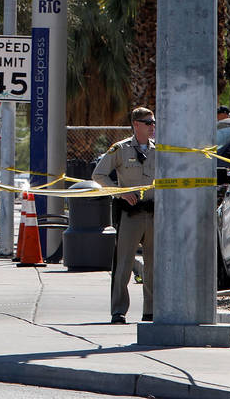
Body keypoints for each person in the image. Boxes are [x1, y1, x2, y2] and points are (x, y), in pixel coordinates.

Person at [92, 106, 156, 324]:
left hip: (154, 213)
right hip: (131, 214)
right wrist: (121, 193)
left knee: (153, 265)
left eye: (153, 122)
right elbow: (98, 175)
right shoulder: (120, 149)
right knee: (124, 264)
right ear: (136, 125)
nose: (152, 127)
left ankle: (151, 310)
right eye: (148, 123)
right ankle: (118, 310)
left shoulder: (159, 150)